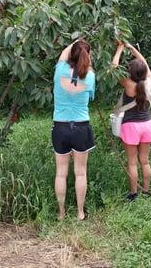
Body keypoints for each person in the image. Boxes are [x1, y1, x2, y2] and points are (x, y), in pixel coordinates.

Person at [52, 39, 96, 220]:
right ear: (87, 56)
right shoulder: (90, 76)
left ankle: (61, 213)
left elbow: (65, 53)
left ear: (71, 54)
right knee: (80, 172)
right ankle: (80, 212)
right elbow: (91, 96)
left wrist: (75, 42)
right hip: (81, 127)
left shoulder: (59, 71)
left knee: (61, 173)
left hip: (60, 127)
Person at [111, 42, 151, 201]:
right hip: (147, 125)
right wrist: (133, 48)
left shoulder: (128, 84)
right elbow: (144, 63)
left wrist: (120, 48)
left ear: (130, 72)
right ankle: (146, 191)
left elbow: (113, 67)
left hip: (131, 126)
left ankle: (133, 193)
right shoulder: (149, 80)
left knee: (132, 162)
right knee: (144, 161)